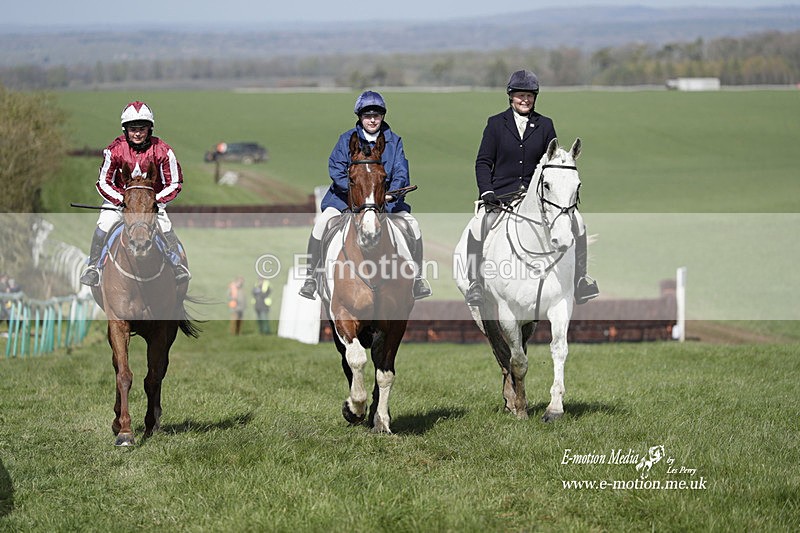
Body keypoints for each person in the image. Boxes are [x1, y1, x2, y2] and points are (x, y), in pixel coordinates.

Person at [464, 69, 599, 306]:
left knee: (578, 222)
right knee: (479, 225)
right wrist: (487, 192)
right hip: (501, 195)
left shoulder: (545, 125)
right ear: (510, 96)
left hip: (537, 197)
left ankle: (580, 280)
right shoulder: (495, 124)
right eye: (520, 95)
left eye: (529, 96)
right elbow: (483, 162)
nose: (525, 100)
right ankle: (475, 283)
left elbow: (553, 162)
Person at [298, 90, 432, 301]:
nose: (372, 120)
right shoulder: (346, 139)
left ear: (382, 117)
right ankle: (311, 278)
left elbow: (401, 171)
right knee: (322, 223)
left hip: (385, 201)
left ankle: (417, 279)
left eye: (376, 116)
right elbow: (336, 169)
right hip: (345, 199)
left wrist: (389, 194)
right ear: (360, 117)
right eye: (367, 116)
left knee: (413, 225)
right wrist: (358, 194)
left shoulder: (394, 141)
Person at [79, 101, 191, 287]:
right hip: (120, 202)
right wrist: (121, 200)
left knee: (165, 226)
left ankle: (176, 265)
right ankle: (94, 267)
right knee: (104, 224)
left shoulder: (163, 151)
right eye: (133, 129)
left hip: (151, 204)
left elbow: (175, 182)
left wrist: (154, 201)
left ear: (149, 129)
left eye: (142, 129)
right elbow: (103, 182)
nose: (137, 133)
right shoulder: (114, 150)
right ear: (125, 130)